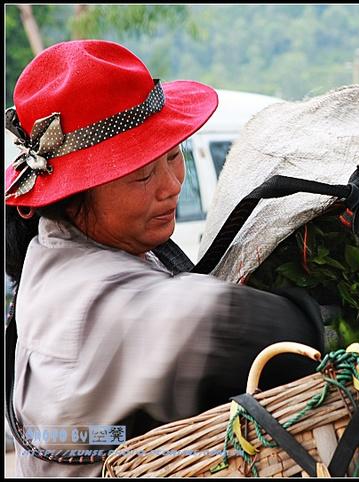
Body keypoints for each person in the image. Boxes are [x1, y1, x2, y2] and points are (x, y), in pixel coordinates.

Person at [4, 39, 325, 477]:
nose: (171, 183)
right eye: (142, 174)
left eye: (174, 155)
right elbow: (216, 323)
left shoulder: (95, 245)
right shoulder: (82, 292)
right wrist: (323, 321)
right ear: (74, 197)